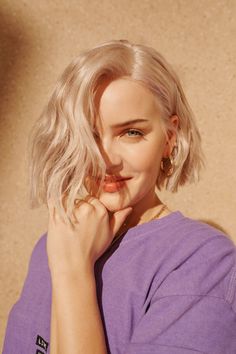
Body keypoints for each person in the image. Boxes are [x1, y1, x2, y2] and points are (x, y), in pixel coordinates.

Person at [3, 39, 236, 354]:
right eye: (90, 135)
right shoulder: (50, 245)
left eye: (131, 133)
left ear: (169, 138)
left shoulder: (205, 262)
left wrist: (73, 270)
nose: (106, 159)